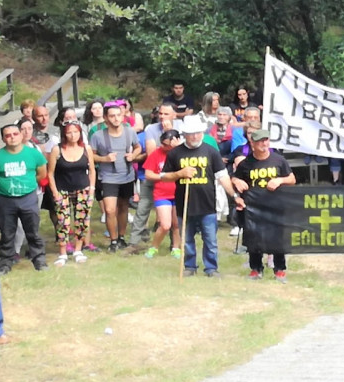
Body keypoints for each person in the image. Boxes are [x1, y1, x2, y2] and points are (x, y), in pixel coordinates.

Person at [160, 117, 236, 277]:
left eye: (197, 133)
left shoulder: (211, 151)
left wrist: (234, 195)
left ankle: (211, 268)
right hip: (184, 204)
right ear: (185, 134)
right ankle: (189, 266)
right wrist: (179, 174)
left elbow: (222, 176)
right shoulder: (175, 153)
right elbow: (164, 176)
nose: (195, 136)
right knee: (186, 240)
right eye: (191, 133)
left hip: (207, 204)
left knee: (210, 240)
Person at [232, 129, 296, 282]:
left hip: (275, 205)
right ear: (252, 144)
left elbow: (292, 179)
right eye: (260, 141)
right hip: (254, 207)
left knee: (277, 238)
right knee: (254, 237)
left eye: (266, 140)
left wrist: (280, 180)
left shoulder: (279, 160)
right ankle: (256, 268)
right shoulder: (246, 163)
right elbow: (234, 178)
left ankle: (279, 270)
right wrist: (236, 181)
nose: (264, 144)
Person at [91, 101, 143, 251]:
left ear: (123, 117)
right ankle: (113, 240)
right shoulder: (98, 136)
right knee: (110, 210)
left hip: (127, 176)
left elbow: (138, 147)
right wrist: (104, 159)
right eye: (112, 116)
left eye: (118, 115)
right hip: (107, 177)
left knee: (124, 207)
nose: (116, 119)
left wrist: (133, 155)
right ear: (106, 118)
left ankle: (121, 237)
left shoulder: (130, 132)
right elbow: (91, 156)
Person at [0, 123, 49, 273]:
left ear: (21, 135)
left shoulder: (33, 154)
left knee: (33, 231)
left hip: (28, 197)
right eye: (8, 135)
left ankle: (39, 260)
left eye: (15, 134)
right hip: (5, 199)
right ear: (3, 138)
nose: (12, 138)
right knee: (7, 233)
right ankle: (5, 263)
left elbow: (42, 174)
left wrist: (29, 185)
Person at [46, 121, 95, 265]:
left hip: (83, 189)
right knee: (63, 222)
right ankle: (62, 252)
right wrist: (54, 192)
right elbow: (50, 173)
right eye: (69, 132)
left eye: (75, 132)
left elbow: (92, 170)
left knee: (82, 220)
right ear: (64, 134)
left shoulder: (86, 148)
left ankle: (78, 250)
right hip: (62, 190)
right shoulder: (57, 149)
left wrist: (91, 189)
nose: (73, 135)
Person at [142, 129, 183, 260]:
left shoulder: (182, 153)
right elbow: (148, 174)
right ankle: (154, 247)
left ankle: (176, 248)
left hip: (178, 192)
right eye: (162, 144)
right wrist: (165, 176)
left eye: (166, 144)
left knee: (177, 224)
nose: (163, 147)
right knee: (165, 225)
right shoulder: (156, 154)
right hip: (162, 193)